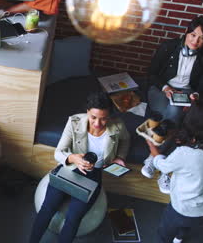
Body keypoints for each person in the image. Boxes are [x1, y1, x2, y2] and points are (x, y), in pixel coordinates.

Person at [29, 92, 130, 243]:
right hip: (69, 169)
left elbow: (126, 140)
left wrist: (120, 157)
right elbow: (59, 152)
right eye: (93, 117)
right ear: (87, 112)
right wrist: (73, 158)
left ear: (109, 116)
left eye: (103, 118)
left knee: (73, 218)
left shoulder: (118, 126)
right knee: (47, 209)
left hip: (94, 174)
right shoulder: (74, 122)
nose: (97, 123)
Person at [143, 16, 203, 192]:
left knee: (175, 113)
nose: (195, 41)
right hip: (161, 90)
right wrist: (166, 88)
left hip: (187, 93)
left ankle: (153, 159)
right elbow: (151, 74)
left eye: (201, 38)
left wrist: (195, 96)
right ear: (186, 32)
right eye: (193, 35)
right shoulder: (169, 46)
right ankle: (164, 168)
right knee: (175, 114)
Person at [145, 98, 203, 243]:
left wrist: (152, 146)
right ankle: (180, 237)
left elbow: (162, 165)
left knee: (163, 234)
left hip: (182, 209)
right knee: (190, 226)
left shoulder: (185, 154)